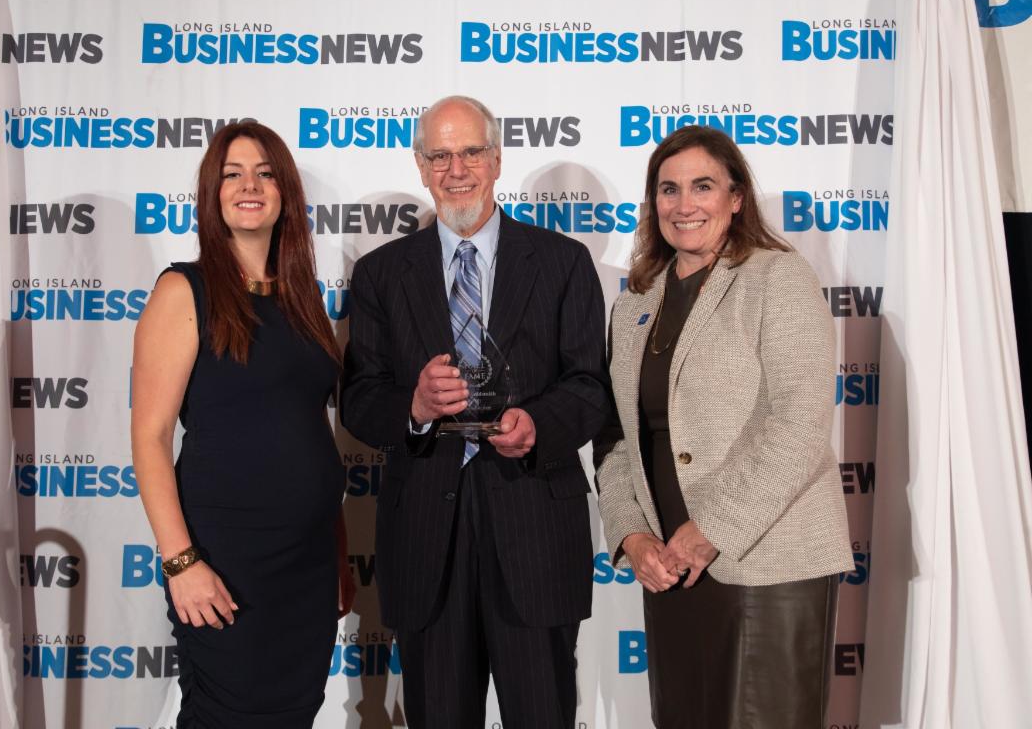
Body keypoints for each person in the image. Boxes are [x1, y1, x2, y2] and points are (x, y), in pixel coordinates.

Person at [340, 95, 611, 728]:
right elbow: (359, 397)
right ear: (421, 165)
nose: (455, 168)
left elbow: (590, 387)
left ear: (496, 160)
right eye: (440, 154)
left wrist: (539, 425)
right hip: (424, 540)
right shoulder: (381, 274)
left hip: (534, 527)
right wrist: (412, 404)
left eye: (470, 152)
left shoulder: (563, 261)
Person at [596, 125, 853, 728]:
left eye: (702, 186)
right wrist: (632, 536)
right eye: (668, 189)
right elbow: (613, 435)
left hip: (768, 563)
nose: (684, 206)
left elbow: (799, 421)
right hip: (669, 570)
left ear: (736, 197)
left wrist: (708, 529)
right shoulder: (636, 301)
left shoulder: (777, 278)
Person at [131, 121, 353, 728]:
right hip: (226, 561)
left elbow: (308, 429)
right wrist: (181, 563)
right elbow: (149, 439)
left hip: (306, 567)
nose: (249, 185)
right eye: (232, 174)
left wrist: (334, 554)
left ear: (285, 193)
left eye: (264, 173)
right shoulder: (185, 290)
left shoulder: (301, 299)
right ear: (213, 194)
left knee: (293, 714)